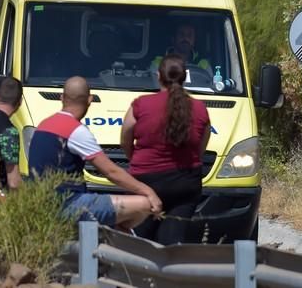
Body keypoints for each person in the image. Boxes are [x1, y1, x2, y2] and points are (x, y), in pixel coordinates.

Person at [28, 76, 162, 231]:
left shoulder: (43, 124)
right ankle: (115, 242)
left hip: (41, 204)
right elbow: (111, 172)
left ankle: (110, 237)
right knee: (144, 204)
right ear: (90, 99)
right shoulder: (76, 131)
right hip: (67, 205)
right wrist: (148, 191)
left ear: (62, 98)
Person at [120, 54, 211, 244]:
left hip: (146, 181)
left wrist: (135, 160)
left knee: (139, 241)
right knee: (172, 241)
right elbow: (200, 150)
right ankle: (169, 271)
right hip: (185, 184)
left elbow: (125, 139)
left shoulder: (141, 105)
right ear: (185, 78)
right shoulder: (200, 108)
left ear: (158, 76)